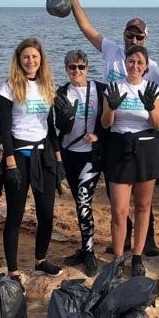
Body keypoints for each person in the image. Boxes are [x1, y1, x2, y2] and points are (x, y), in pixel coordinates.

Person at [67, 0, 159, 254]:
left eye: (138, 37)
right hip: (110, 128)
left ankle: (147, 242)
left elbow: (156, 103)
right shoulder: (111, 51)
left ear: (144, 39)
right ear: (124, 35)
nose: (133, 40)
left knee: (143, 195)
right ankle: (123, 237)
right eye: (130, 35)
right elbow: (87, 27)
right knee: (116, 191)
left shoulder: (151, 66)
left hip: (141, 133)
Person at [0, 37, 64, 278]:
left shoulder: (47, 86)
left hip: (43, 154)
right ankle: (13, 269)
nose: (30, 61)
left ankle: (40, 259)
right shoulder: (9, 87)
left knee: (46, 213)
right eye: (26, 56)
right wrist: (10, 162)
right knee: (15, 214)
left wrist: (58, 159)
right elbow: (4, 129)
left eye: (34, 57)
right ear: (19, 59)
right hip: (19, 154)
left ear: (41, 60)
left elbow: (51, 126)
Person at [101, 45, 159, 277]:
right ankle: (118, 258)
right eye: (131, 61)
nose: (135, 66)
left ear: (146, 66)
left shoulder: (153, 89)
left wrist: (149, 109)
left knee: (143, 206)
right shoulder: (113, 88)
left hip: (146, 147)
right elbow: (106, 124)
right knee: (118, 210)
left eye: (139, 62)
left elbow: (158, 125)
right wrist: (112, 108)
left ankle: (137, 256)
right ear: (124, 63)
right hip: (119, 147)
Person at [55, 49, 107, 278]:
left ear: (87, 68)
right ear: (66, 69)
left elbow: (109, 122)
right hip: (69, 154)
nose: (77, 71)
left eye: (81, 67)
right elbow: (60, 128)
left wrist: (98, 136)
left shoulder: (99, 90)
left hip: (90, 155)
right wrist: (67, 119)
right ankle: (84, 245)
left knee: (84, 200)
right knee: (78, 202)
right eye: (72, 67)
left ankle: (88, 252)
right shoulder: (61, 92)